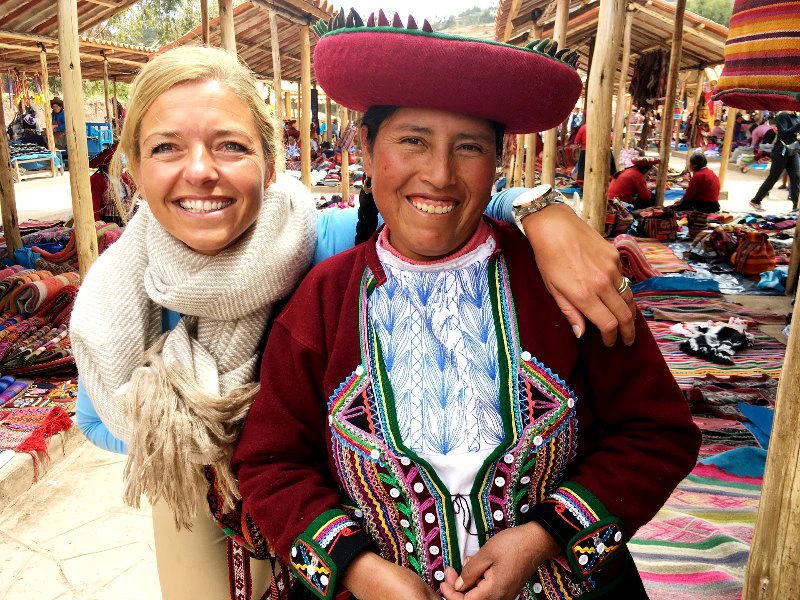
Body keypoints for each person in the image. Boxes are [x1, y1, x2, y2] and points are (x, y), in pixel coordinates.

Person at [70, 45, 641, 600]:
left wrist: (543, 210)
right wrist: (206, 433)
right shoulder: (114, 296)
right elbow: (99, 420)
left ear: (269, 164)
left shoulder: (325, 247)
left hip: (324, 504)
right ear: (134, 166)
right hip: (201, 497)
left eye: (231, 146)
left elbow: (436, 205)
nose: (200, 172)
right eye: (166, 148)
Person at [234, 13, 699, 600]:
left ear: (498, 164)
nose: (439, 174)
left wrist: (542, 539)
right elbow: (270, 462)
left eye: (470, 147)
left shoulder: (563, 285)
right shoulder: (323, 298)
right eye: (412, 140)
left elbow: (658, 433)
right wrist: (359, 569)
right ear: (367, 149)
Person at [750, 111, 800, 212]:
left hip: (793, 151)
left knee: (796, 177)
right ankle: (756, 200)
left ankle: (796, 206)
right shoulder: (783, 116)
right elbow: (783, 134)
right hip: (780, 151)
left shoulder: (797, 117)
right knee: (774, 177)